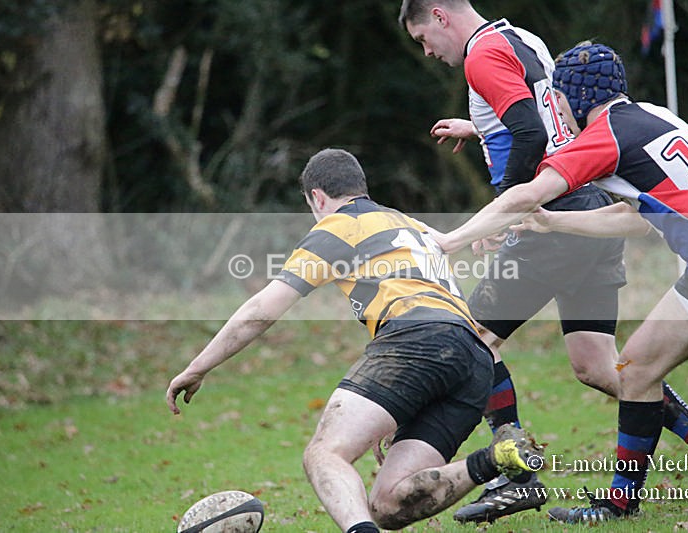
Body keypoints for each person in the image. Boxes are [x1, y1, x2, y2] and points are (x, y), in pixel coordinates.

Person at [399, 0, 688, 523]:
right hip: (589, 212)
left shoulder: (480, 55)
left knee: (475, 342)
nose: (427, 50)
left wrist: (500, 213)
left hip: (553, 216)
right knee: (599, 365)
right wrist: (478, 128)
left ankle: (514, 472)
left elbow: (531, 134)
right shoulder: (521, 39)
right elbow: (552, 121)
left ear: (440, 14)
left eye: (423, 36)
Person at [165, 148, 544, 533]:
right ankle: (496, 458)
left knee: (324, 454)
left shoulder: (339, 225)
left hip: (414, 339)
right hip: (473, 357)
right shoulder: (408, 224)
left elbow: (265, 307)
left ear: (317, 197)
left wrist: (198, 367)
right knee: (388, 504)